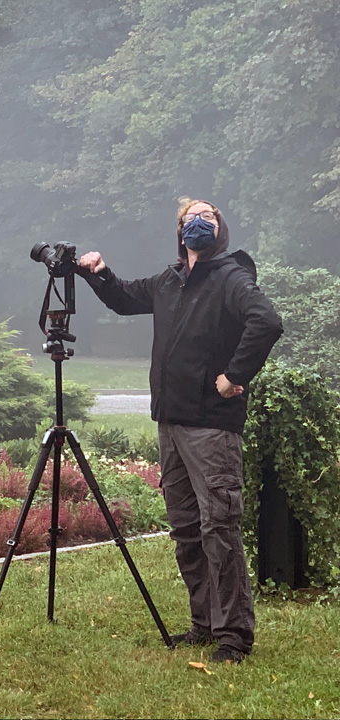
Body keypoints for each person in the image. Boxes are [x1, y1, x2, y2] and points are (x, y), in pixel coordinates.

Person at [78, 198, 282, 664]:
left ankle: (233, 636)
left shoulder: (231, 277)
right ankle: (204, 624)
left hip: (212, 426)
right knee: (187, 530)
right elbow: (126, 298)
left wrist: (235, 374)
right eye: (191, 217)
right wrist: (99, 271)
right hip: (171, 423)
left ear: (221, 228)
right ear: (178, 230)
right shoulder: (169, 281)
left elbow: (266, 321)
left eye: (208, 216)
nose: (198, 222)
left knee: (219, 528)